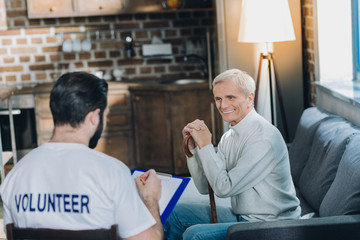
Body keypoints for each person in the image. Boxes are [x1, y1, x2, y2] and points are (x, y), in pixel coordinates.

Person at [0, 72, 163, 240]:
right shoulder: (113, 172)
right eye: (105, 116)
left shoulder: (15, 176)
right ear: (94, 117)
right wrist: (150, 199)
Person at [164, 69, 301, 240]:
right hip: (242, 217)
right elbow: (205, 186)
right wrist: (193, 150)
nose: (222, 105)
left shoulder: (264, 138)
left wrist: (206, 145)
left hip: (270, 224)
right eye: (218, 99)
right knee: (174, 214)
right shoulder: (230, 136)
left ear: (250, 98)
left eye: (231, 97)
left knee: (195, 234)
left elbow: (223, 188)